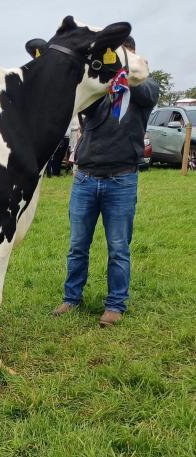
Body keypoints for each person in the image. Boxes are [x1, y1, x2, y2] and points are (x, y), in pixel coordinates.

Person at [53, 37, 159, 327]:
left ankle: (115, 305)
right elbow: (83, 106)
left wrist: (126, 72)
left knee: (118, 247)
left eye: (123, 54)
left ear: (133, 54)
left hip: (121, 180)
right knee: (77, 245)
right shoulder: (101, 85)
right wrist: (105, 75)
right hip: (86, 178)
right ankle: (71, 298)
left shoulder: (146, 84)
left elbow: (147, 96)